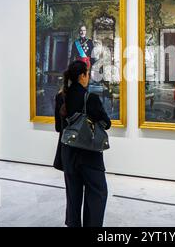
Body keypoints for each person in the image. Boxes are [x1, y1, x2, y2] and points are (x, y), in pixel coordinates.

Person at [54, 60, 111, 227]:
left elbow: (59, 127)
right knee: (97, 192)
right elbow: (106, 123)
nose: (88, 77)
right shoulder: (90, 98)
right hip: (89, 155)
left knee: (73, 196)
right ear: (82, 76)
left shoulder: (60, 97)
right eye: (87, 74)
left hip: (68, 155)